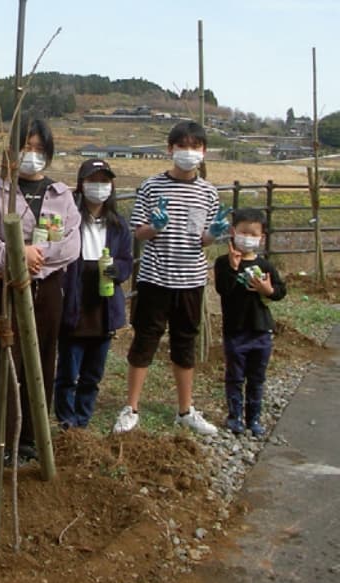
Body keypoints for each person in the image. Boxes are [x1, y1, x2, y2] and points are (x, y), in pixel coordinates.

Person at [0, 118, 80, 464]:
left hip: (47, 290)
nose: (32, 155)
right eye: (26, 147)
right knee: (5, 362)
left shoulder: (60, 194)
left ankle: (32, 437)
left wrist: (37, 260)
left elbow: (71, 242)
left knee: (44, 359)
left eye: (38, 149)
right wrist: (17, 256)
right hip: (7, 289)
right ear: (13, 150)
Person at [113, 120, 230, 435]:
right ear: (170, 149)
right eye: (182, 146)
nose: (188, 153)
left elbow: (203, 239)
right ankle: (131, 408)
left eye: (195, 147)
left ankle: (185, 409)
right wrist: (156, 227)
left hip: (191, 279)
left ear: (204, 152)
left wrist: (213, 235)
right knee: (145, 340)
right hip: (155, 277)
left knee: (184, 342)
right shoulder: (152, 186)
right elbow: (138, 232)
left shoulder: (208, 192)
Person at [54, 158, 132, 429]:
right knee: (67, 373)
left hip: (103, 307)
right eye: (92, 181)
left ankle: (82, 422)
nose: (99, 187)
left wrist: (116, 271)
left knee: (92, 375)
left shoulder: (118, 225)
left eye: (104, 181)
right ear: (81, 184)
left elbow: (126, 262)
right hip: (73, 305)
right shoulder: (69, 220)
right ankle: (66, 422)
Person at [214, 207, 286, 436]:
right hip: (235, 331)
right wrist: (234, 269)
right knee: (235, 376)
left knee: (257, 377)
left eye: (254, 234)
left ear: (261, 238)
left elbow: (280, 292)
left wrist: (268, 289)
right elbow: (223, 290)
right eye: (244, 232)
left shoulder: (266, 266)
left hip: (261, 330)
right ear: (233, 232)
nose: (248, 238)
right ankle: (234, 416)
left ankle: (253, 419)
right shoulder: (223, 263)